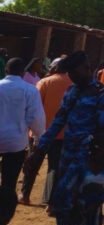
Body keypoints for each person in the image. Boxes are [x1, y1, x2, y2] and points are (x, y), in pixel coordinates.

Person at [28, 51, 104, 225]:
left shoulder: (101, 93)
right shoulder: (71, 91)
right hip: (68, 156)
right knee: (64, 201)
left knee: (89, 206)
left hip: (91, 159)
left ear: (87, 69)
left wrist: (97, 159)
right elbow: (58, 121)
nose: (73, 77)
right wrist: (39, 148)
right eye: (70, 74)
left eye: (75, 73)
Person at [20, 57, 72, 205]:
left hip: (40, 133)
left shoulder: (44, 82)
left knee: (32, 164)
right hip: (62, 134)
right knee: (55, 167)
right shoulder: (73, 86)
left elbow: (34, 109)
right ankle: (50, 201)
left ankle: (24, 195)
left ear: (54, 68)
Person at [0, 58, 45, 194]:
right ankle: (4, 210)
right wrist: (38, 138)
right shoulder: (30, 90)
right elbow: (36, 118)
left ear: (6, 70)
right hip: (15, 143)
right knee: (9, 182)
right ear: (22, 72)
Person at [65, 134, 104, 225]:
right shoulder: (80, 166)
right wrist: (79, 204)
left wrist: (98, 201)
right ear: (98, 149)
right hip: (76, 211)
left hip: (95, 214)